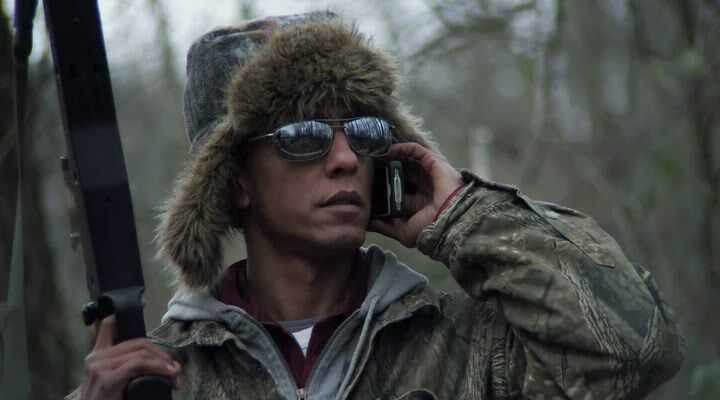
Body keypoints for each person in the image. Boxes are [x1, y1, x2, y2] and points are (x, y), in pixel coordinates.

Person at [69, 12, 684, 400]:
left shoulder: (464, 351)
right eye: (304, 135)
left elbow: (636, 351)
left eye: (363, 131)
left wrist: (463, 214)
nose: (344, 158)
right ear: (235, 181)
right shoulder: (161, 379)